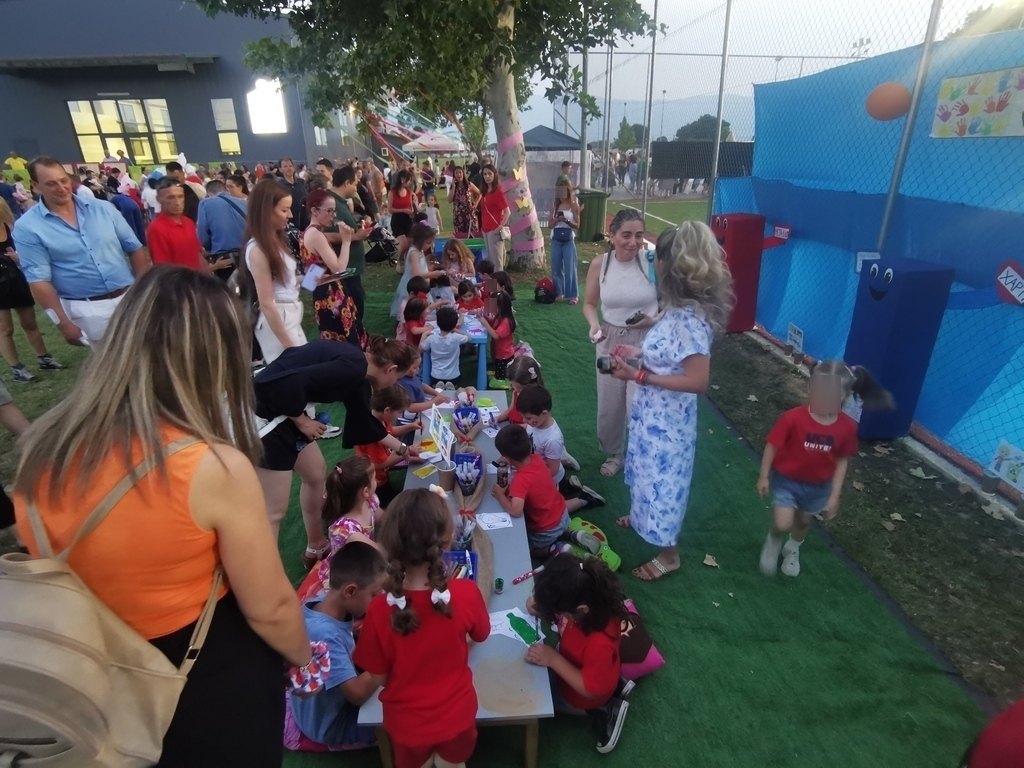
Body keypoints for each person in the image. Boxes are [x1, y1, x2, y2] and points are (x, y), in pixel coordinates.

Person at [14, 267, 312, 767]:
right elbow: (270, 608)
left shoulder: (42, 450)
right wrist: (304, 655)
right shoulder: (210, 466)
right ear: (215, 356)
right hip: (196, 679)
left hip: (89, 673)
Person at [610, 221, 734, 581]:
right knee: (645, 473)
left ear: (671, 265)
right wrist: (639, 353)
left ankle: (670, 555)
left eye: (657, 257)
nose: (653, 262)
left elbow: (697, 380)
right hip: (651, 416)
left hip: (668, 426)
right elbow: (670, 351)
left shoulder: (691, 322)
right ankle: (641, 516)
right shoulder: (677, 307)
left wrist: (640, 376)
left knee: (663, 484)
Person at [353, 488, 490, 768]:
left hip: (406, 726)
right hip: (457, 718)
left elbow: (379, 677)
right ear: (448, 539)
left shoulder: (378, 610)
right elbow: (481, 634)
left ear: (388, 544)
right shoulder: (466, 593)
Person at [252, 337, 417, 568]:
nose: (393, 384)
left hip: (284, 410)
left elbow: (365, 423)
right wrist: (302, 421)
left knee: (315, 473)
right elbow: (284, 384)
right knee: (274, 510)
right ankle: (263, 576)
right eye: (397, 378)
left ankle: (316, 544)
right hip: (264, 413)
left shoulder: (359, 372)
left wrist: (404, 450)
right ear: (390, 369)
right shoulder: (352, 368)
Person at [758, 361, 892, 578]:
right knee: (783, 523)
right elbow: (772, 445)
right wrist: (764, 476)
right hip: (787, 481)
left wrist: (834, 494)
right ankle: (774, 539)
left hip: (818, 486)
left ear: (845, 396)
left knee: (803, 521)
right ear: (810, 388)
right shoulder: (793, 418)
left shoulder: (847, 427)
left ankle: (792, 548)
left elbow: (841, 461)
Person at [14, 157, 148, 347]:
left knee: (152, 353)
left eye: (63, 180)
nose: (61, 188)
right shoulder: (28, 227)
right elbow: (38, 280)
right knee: (110, 361)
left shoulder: (103, 209)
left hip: (129, 297)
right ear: (35, 186)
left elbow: (134, 248)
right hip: (87, 308)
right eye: (51, 184)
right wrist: (63, 323)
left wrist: (144, 292)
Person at [525, 552, 631, 753]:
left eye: (562, 611)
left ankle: (605, 710)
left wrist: (553, 659)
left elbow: (590, 689)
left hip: (585, 692)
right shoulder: (590, 600)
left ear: (581, 609)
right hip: (593, 667)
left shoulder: (598, 644)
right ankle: (616, 682)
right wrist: (543, 605)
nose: (561, 615)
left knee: (538, 696)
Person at [581, 209, 659, 478]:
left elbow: (672, 305)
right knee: (610, 402)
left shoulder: (652, 262)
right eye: (626, 235)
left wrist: (653, 319)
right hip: (610, 341)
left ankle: (641, 456)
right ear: (612, 235)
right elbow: (589, 303)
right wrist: (594, 324)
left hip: (644, 341)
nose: (633, 242)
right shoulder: (600, 264)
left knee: (639, 403)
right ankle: (616, 454)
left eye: (639, 235)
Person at [290, 542, 386, 749]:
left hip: (324, 705)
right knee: (409, 717)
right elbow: (357, 694)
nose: (379, 600)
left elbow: (346, 638)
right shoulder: (325, 635)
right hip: (332, 723)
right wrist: (388, 654)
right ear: (350, 591)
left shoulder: (322, 603)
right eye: (374, 594)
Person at [492, 425, 598, 557]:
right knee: (558, 528)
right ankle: (572, 534)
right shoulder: (537, 459)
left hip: (546, 529)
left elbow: (516, 511)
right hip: (563, 515)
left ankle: (554, 549)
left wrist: (500, 496)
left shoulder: (520, 480)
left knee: (527, 548)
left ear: (507, 459)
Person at [301, 454, 383, 601]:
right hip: (350, 573)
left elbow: (384, 518)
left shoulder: (369, 501)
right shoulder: (345, 530)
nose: (376, 481)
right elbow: (378, 551)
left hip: (365, 559)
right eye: (374, 478)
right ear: (365, 491)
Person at [0, 199, 64, 382]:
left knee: (29, 322)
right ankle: (17, 369)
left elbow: (26, 251)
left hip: (17, 279)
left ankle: (44, 359)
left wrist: (18, 257)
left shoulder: (10, 226)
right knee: (5, 329)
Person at [243, 179, 303, 363]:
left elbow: (284, 281)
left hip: (289, 315)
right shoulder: (258, 250)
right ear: (266, 211)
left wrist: (308, 279)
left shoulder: (274, 241)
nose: (290, 215)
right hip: (279, 319)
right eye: (284, 210)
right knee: (294, 371)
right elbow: (267, 303)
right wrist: (287, 344)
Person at [517, 384, 604, 508]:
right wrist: (516, 429)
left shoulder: (553, 439)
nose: (524, 421)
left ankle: (585, 498)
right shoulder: (536, 422)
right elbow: (529, 428)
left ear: (544, 413)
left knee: (545, 510)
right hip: (541, 473)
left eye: (528, 418)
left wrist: (529, 475)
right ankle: (570, 485)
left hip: (551, 481)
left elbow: (552, 471)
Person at [300, 187, 365, 346]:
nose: (334, 216)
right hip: (331, 297)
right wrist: (347, 241)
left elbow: (311, 276)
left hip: (323, 293)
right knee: (345, 342)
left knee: (337, 342)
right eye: (329, 211)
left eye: (334, 211)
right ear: (315, 211)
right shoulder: (316, 235)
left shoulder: (308, 233)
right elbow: (339, 268)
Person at [355, 385, 423, 507]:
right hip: (375, 481)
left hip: (382, 475)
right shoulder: (372, 436)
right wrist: (405, 452)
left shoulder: (378, 419)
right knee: (390, 504)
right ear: (387, 410)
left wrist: (410, 426)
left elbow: (390, 432)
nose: (400, 415)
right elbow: (381, 464)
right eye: (400, 412)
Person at [326, 166, 373, 321]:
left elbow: (342, 228)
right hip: (345, 268)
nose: (356, 188)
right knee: (353, 306)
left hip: (350, 266)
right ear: (346, 183)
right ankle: (354, 333)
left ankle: (357, 332)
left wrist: (357, 227)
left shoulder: (339, 201)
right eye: (355, 184)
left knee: (356, 302)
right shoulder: (331, 202)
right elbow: (326, 236)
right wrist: (356, 236)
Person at [196, 179, 246, 281]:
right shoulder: (244, 203)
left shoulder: (205, 203)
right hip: (247, 255)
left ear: (209, 194)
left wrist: (210, 249)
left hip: (224, 259)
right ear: (226, 190)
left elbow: (202, 235)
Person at [147, 179, 204, 270]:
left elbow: (197, 254)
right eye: (170, 197)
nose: (177, 203)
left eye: (180, 196)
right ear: (159, 199)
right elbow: (163, 268)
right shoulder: (157, 228)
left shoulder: (188, 223)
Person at [391, 222, 444, 317]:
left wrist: (429, 271)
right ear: (420, 241)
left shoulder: (419, 251)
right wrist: (434, 273)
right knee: (413, 308)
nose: (430, 245)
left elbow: (421, 268)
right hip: (413, 285)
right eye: (428, 243)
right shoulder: (414, 253)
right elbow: (416, 274)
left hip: (419, 283)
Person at [549, 178, 581, 304]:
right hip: (556, 239)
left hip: (568, 239)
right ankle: (559, 292)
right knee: (556, 268)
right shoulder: (554, 206)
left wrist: (568, 222)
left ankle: (573, 294)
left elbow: (577, 225)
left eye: (564, 192)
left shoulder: (574, 206)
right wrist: (556, 220)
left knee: (570, 267)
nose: (561, 196)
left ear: (568, 192)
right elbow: (550, 225)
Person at [420, 305, 469, 388]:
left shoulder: (431, 338)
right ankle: (451, 387)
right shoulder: (456, 337)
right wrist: (456, 330)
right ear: (454, 324)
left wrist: (424, 334)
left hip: (436, 376)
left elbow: (420, 349)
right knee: (454, 385)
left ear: (437, 323)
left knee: (436, 386)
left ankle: (438, 387)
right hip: (453, 376)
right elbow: (469, 338)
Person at [478, 290, 516, 380]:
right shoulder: (499, 315)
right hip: (498, 352)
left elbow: (496, 336)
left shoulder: (506, 321)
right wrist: (485, 316)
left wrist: (485, 324)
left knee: (501, 378)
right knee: (496, 368)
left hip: (504, 355)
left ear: (500, 307)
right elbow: (493, 322)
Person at [478, 164, 510, 270]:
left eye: (489, 174)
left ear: (494, 175)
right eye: (485, 174)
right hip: (485, 230)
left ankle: (499, 280)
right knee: (491, 260)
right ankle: (492, 280)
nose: (487, 176)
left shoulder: (498, 192)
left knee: (497, 262)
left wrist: (500, 227)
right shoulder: (484, 192)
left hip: (494, 230)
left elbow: (507, 212)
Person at [496, 354, 543, 426]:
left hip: (522, 431)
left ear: (532, 383)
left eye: (520, 388)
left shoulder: (536, 399)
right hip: (513, 427)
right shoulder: (515, 392)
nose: (516, 390)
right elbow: (511, 410)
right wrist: (498, 418)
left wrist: (516, 428)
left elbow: (535, 423)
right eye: (513, 385)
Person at [387, 169, 416, 266]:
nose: (410, 182)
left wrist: (412, 211)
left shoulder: (409, 192)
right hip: (397, 220)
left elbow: (411, 207)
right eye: (409, 180)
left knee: (410, 243)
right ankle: (399, 260)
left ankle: (408, 263)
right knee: (404, 243)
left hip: (407, 220)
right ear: (402, 179)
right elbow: (390, 209)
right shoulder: (392, 192)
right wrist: (403, 210)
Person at [447, 166, 481, 240]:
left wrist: (475, 204)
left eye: (460, 172)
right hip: (458, 215)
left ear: (463, 173)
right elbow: (449, 200)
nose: (458, 174)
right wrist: (453, 186)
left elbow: (480, 193)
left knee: (473, 235)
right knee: (461, 237)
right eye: (456, 173)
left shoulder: (469, 185)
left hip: (469, 214)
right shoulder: (453, 187)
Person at [277, 157, 308, 230]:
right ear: (280, 169)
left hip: (305, 221)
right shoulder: (279, 186)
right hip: (290, 222)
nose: (288, 168)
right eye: (285, 166)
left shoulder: (302, 183)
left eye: (290, 166)